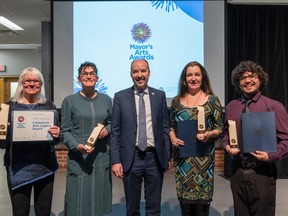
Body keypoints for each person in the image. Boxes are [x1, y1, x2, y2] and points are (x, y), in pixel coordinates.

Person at [222, 60, 288, 216]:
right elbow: (226, 133)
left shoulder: (273, 106)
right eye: (243, 78)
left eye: (252, 76)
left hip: (262, 173)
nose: (248, 80)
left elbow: (286, 139)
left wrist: (271, 155)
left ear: (260, 79)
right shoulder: (232, 106)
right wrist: (226, 145)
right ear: (238, 83)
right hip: (237, 171)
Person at [110, 59, 171, 216]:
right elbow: (115, 131)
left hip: (154, 158)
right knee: (132, 208)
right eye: (135, 71)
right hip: (131, 158)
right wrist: (116, 160)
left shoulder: (159, 96)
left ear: (149, 72)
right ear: (131, 74)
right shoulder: (120, 97)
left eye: (143, 71)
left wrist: (168, 155)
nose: (139, 75)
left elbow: (165, 128)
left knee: (154, 207)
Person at [0, 67, 60, 216]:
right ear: (21, 83)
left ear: (41, 84)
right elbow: (1, 144)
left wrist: (57, 134)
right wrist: (3, 133)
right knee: (20, 212)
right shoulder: (8, 107)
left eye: (35, 81)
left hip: (45, 167)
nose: (31, 84)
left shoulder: (49, 106)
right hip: (18, 169)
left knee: (43, 211)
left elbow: (56, 140)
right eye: (27, 80)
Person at [169, 61, 223, 216]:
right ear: (184, 79)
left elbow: (219, 128)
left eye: (197, 74)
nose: (193, 78)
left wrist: (209, 134)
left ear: (203, 77)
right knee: (185, 208)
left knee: (201, 209)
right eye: (189, 75)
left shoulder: (213, 101)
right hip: (183, 162)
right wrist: (172, 138)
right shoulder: (176, 102)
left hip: (203, 161)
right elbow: (171, 126)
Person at [61, 61, 112, 216]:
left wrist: (107, 129)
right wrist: (77, 146)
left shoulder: (107, 100)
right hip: (79, 157)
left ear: (97, 78)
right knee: (78, 199)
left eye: (92, 74)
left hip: (101, 156)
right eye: (85, 73)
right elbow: (65, 130)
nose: (88, 76)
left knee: (99, 198)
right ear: (78, 78)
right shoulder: (69, 101)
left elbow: (113, 123)